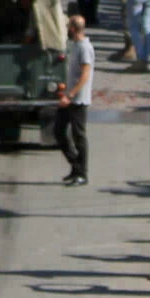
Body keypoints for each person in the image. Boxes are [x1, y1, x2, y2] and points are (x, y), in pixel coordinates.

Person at [56, 15, 94, 187]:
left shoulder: (84, 47)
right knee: (59, 131)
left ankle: (82, 173)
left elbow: (85, 74)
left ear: (72, 28)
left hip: (78, 99)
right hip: (69, 96)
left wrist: (71, 95)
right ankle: (75, 166)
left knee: (79, 135)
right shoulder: (74, 45)